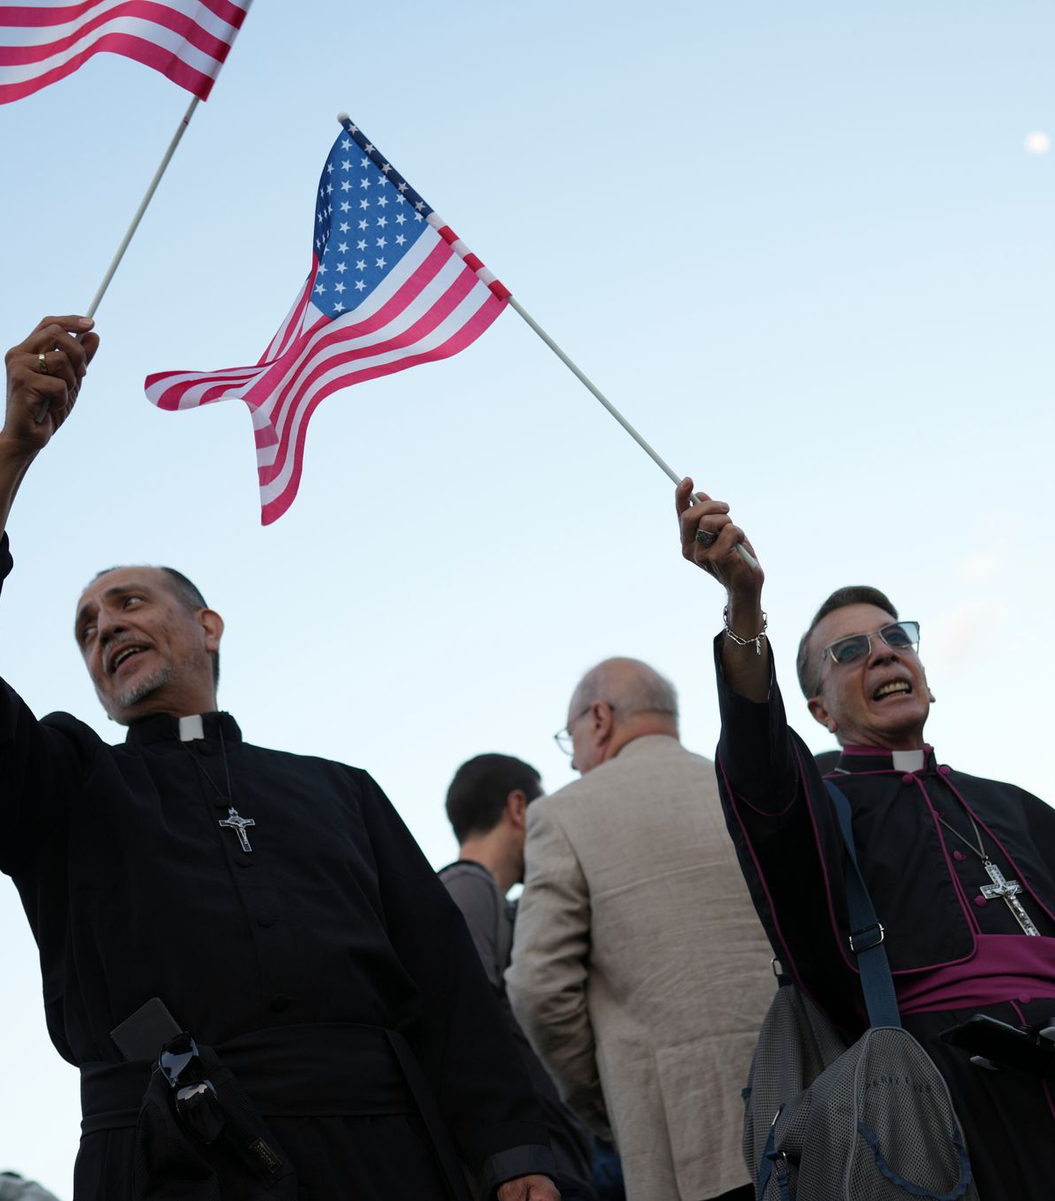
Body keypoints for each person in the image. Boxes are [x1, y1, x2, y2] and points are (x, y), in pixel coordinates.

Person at [0, 315, 559, 1201]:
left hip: (386, 1162)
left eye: (130, 601)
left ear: (207, 626)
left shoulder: (340, 793)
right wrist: (9, 460)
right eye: (86, 627)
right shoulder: (65, 781)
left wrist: (518, 1151)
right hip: (167, 1163)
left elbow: (451, 989)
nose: (105, 626)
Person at [674, 477, 1055, 1201]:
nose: (885, 653)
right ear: (819, 708)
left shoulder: (1010, 804)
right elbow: (762, 774)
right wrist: (744, 610)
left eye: (898, 637)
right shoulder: (818, 808)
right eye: (851, 649)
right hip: (948, 1115)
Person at [507, 658, 776, 1201]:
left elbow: (538, 988)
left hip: (681, 1139)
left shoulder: (563, 814)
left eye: (572, 737)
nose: (577, 759)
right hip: (818, 1115)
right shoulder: (749, 789)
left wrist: (605, 1098)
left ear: (600, 718)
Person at [439, 753, 597, 1201]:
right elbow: (467, 1024)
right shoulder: (466, 888)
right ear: (518, 808)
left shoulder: (485, 898)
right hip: (532, 1173)